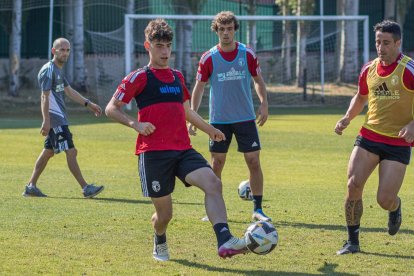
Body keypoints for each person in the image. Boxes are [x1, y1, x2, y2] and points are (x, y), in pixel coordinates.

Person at [105, 18, 247, 261]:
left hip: (182, 150)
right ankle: (159, 238)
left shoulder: (177, 77)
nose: (165, 51)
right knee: (165, 215)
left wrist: (210, 129)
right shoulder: (139, 77)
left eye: (168, 45)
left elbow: (187, 111)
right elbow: (111, 108)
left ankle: (225, 240)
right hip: (153, 154)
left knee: (213, 183)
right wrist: (135, 124)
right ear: (148, 46)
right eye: (159, 45)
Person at [335, 20, 414, 255]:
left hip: (398, 142)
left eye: (386, 43)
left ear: (398, 43)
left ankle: (395, 207)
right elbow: (361, 97)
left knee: (384, 199)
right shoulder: (368, 68)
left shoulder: (408, 70)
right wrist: (347, 118)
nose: (381, 47)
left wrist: (412, 124)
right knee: (353, 185)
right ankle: (352, 242)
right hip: (369, 136)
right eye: (378, 42)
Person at [189, 11, 271, 222]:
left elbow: (258, 80)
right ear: (216, 31)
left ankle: (258, 209)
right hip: (219, 120)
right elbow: (199, 88)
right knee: (217, 163)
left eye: (229, 29)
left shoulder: (247, 54)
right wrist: (193, 116)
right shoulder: (208, 58)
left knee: (253, 161)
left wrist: (263, 103)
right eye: (221, 29)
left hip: (245, 118)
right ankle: (214, 209)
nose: (226, 33)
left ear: (235, 29)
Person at [23, 38, 104, 198]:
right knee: (71, 151)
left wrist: (88, 103)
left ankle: (31, 186)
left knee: (48, 152)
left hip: (58, 119)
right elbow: (44, 97)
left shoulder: (58, 70)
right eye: (61, 49)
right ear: (54, 51)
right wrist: (46, 121)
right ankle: (86, 187)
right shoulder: (49, 70)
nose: (65, 53)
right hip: (56, 120)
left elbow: (69, 91)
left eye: (67, 50)